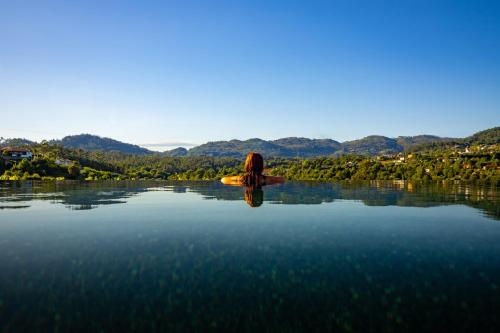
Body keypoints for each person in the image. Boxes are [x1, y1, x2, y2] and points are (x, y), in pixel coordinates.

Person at [221, 152, 285, 186]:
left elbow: (223, 180)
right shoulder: (269, 179)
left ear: (247, 165)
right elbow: (282, 179)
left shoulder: (239, 179)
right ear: (261, 165)